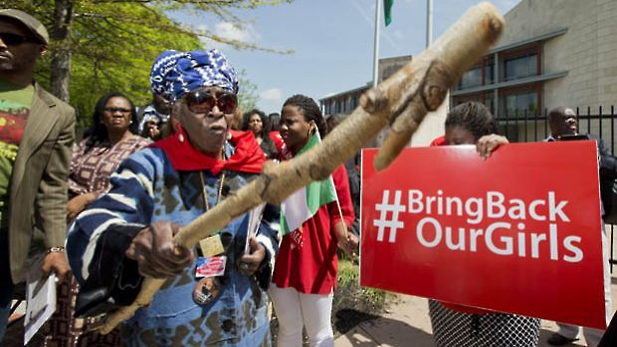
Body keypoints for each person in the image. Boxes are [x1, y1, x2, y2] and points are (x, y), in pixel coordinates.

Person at [66, 49, 279, 346]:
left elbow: (271, 220)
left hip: (248, 330)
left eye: (225, 102)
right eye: (201, 100)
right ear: (177, 111)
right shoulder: (150, 165)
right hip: (170, 333)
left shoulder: (251, 166)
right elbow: (87, 226)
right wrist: (133, 241)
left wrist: (264, 250)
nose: (216, 110)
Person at [428, 101, 541, 347]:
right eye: (449, 142)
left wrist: (507, 162)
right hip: (450, 305)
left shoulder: (510, 161)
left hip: (505, 309)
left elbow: (534, 214)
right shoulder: (435, 159)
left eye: (460, 143)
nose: (452, 149)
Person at [43, 92, 150, 346]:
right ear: (101, 115)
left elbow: (142, 189)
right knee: (66, 293)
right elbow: (62, 175)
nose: (117, 114)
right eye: (111, 109)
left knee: (101, 297)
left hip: (112, 236)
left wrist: (89, 198)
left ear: (132, 116)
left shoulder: (143, 148)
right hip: (74, 230)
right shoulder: (87, 144)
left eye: (123, 111)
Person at [0, 9, 75, 343]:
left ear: (40, 49)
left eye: (12, 39)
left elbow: (53, 187)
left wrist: (54, 246)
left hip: (5, 242)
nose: (1, 44)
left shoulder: (57, 114)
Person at [270, 94, 358, 347]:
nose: (283, 127)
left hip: (315, 259)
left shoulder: (331, 165)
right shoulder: (276, 163)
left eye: (291, 122)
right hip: (281, 260)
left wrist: (344, 236)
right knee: (288, 330)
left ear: (311, 125)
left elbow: (340, 212)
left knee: (320, 333)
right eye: (282, 122)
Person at [545, 106, 614, 347]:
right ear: (553, 123)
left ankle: (597, 338)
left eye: (574, 118)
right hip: (558, 222)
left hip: (591, 221)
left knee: (598, 281)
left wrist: (596, 158)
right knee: (562, 279)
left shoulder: (593, 142)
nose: (573, 121)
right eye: (566, 119)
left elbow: (614, 165)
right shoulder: (544, 148)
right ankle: (567, 329)